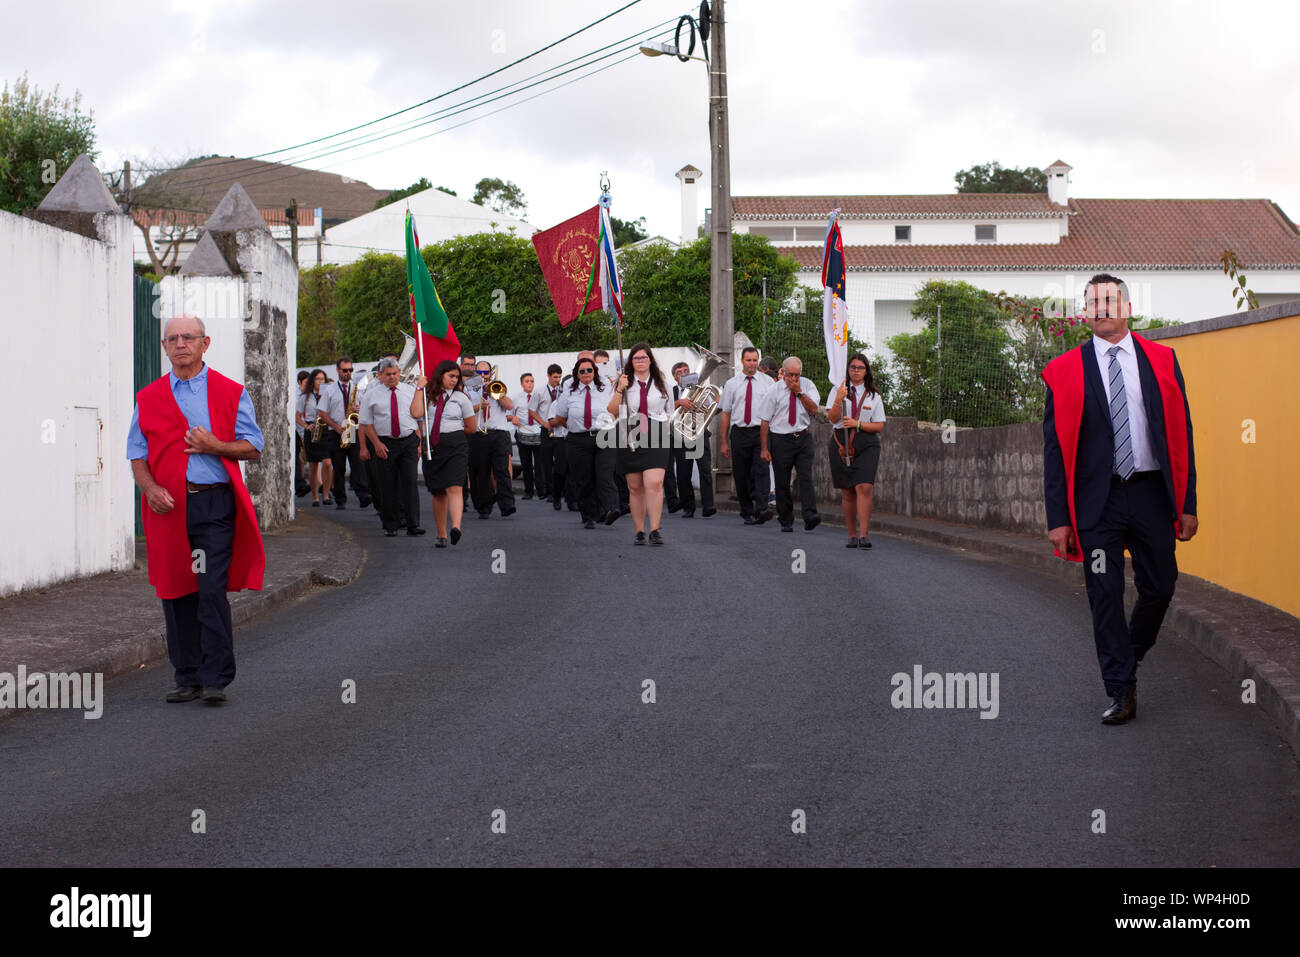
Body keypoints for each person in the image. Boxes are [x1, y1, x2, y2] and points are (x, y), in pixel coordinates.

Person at [1042, 274, 1198, 726]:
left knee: (1161, 585)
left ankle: (1127, 655)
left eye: (1109, 300)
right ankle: (1120, 689)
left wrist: (1187, 502)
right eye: (1092, 301)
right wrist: (1058, 516)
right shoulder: (1064, 371)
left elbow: (1182, 436)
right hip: (1097, 503)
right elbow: (1053, 449)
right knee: (1104, 594)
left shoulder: (1163, 361)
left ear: (1127, 308)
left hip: (1150, 493)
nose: (1101, 307)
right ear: (1084, 312)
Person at [127, 315, 265, 704]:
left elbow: (253, 446)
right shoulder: (148, 397)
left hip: (211, 505)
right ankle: (186, 676)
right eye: (172, 338)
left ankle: (215, 676)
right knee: (175, 591)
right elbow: (137, 454)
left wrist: (215, 446)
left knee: (208, 587)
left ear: (206, 344)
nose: (180, 343)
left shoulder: (229, 391)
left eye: (188, 337)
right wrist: (150, 488)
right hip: (167, 509)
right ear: (164, 347)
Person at [607, 343, 674, 545]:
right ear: (631, 362)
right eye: (636, 358)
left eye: (644, 357)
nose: (641, 361)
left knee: (654, 482)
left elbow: (669, 411)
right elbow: (612, 411)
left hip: (657, 431)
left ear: (650, 360)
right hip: (630, 432)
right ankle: (639, 531)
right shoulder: (624, 383)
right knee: (635, 487)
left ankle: (654, 529)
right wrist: (619, 389)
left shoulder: (662, 384)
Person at [358, 357, 425, 537]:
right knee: (387, 484)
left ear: (399, 373)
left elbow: (417, 417)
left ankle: (413, 524)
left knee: (410, 481)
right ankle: (391, 524)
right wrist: (376, 444)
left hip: (408, 440)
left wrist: (419, 442)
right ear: (380, 375)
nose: (392, 377)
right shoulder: (371, 394)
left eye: (395, 374)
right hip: (385, 442)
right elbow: (365, 422)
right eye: (388, 374)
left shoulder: (410, 391)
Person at [550, 357, 619, 529]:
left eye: (589, 370)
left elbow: (614, 411)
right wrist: (575, 426)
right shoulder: (569, 392)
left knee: (605, 474)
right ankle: (589, 516)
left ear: (595, 372)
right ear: (577, 374)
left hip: (603, 436)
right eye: (582, 371)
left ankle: (611, 508)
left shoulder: (605, 388)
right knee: (583, 478)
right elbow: (560, 416)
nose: (586, 373)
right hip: (578, 440)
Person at [827, 353, 886, 547]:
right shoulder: (838, 390)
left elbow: (878, 425)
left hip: (866, 442)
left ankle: (864, 534)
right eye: (853, 367)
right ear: (848, 369)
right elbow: (833, 418)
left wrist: (857, 424)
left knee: (864, 486)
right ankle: (852, 535)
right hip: (841, 442)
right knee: (847, 490)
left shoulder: (873, 395)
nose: (856, 371)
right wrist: (838, 398)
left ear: (866, 371)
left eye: (860, 368)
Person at [416, 359, 476, 547]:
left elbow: (471, 427)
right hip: (433, 445)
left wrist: (453, 431)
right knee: (438, 492)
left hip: (456, 444)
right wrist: (419, 388)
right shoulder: (426, 395)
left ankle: (456, 527)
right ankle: (441, 534)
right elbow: (415, 412)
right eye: (451, 376)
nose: (454, 380)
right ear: (440, 375)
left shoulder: (461, 398)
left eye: (456, 377)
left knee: (455, 486)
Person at [761, 356, 822, 533]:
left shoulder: (808, 385)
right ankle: (786, 519)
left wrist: (799, 392)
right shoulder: (774, 390)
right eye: (791, 375)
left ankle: (810, 515)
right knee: (782, 481)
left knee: (805, 477)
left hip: (802, 437)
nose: (795, 379)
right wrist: (764, 448)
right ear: (784, 372)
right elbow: (765, 420)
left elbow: (814, 409)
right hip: (781, 439)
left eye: (798, 375)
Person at [719, 346, 775, 525]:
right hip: (739, 432)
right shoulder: (732, 384)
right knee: (741, 474)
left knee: (761, 470)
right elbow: (726, 413)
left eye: (755, 360)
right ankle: (746, 510)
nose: (752, 364)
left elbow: (775, 409)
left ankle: (761, 510)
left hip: (761, 432)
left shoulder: (768, 383)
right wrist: (723, 441)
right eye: (748, 360)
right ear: (742, 361)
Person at [667, 360, 716, 518]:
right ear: (675, 377)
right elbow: (664, 409)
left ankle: (709, 506)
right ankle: (689, 507)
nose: (684, 373)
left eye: (686, 370)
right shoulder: (671, 391)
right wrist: (679, 402)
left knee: (705, 470)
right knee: (683, 473)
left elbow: (710, 408)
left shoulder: (700, 388)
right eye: (680, 372)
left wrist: (715, 403)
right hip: (679, 436)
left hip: (699, 434)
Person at [469, 360, 517, 519]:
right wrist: (480, 406)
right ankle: (483, 506)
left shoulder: (497, 387)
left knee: (502, 470)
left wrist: (496, 393)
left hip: (499, 434)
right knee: (480, 472)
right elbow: (466, 410)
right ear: (476, 373)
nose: (483, 376)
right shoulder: (469, 390)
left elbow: (509, 406)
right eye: (480, 373)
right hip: (479, 434)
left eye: (486, 373)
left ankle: (507, 505)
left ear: (490, 373)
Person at [328, 356, 371, 510]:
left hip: (353, 428)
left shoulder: (357, 388)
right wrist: (335, 426)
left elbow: (366, 407)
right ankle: (340, 499)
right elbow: (322, 412)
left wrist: (360, 408)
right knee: (339, 467)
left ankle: (363, 495)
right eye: (345, 370)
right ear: (338, 371)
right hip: (336, 431)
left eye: (350, 370)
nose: (348, 373)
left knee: (358, 463)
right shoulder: (330, 389)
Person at [532, 364, 564, 504]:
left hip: (559, 430)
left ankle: (559, 491)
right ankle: (549, 492)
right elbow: (532, 410)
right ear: (549, 376)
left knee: (560, 462)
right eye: (555, 377)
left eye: (559, 377)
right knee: (546, 462)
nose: (557, 380)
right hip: (546, 430)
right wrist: (543, 422)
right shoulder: (539, 391)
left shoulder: (563, 391)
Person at [509, 372, 542, 500]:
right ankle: (528, 491)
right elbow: (508, 415)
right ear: (522, 384)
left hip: (537, 432)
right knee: (526, 464)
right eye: (527, 381)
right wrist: (513, 418)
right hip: (522, 433)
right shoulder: (515, 398)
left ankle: (541, 491)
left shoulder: (539, 396)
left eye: (532, 381)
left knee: (539, 464)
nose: (530, 383)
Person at [293, 370, 311, 498]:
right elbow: (296, 417)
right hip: (299, 432)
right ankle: (300, 484)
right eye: (306, 382)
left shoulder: (310, 396)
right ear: (300, 382)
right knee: (299, 460)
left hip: (304, 431)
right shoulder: (296, 396)